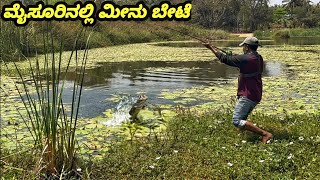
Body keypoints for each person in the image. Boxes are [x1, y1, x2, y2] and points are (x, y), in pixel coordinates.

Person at [202, 37, 272, 144]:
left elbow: (224, 59)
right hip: (255, 92)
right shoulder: (258, 58)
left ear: (247, 47)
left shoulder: (246, 59)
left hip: (248, 94)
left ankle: (265, 134)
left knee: (236, 121)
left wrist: (210, 47)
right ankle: (240, 137)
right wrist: (235, 57)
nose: (243, 48)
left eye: (244, 46)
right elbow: (241, 60)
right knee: (242, 117)